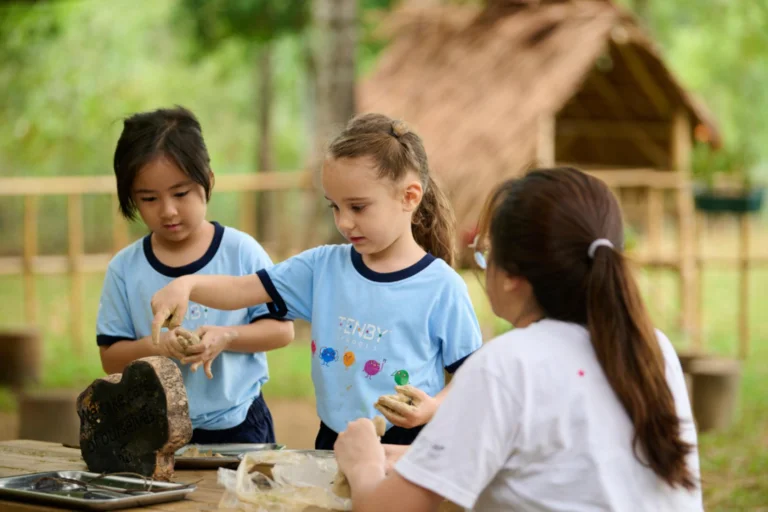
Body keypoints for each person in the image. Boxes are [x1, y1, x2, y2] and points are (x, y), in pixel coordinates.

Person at [332, 167, 703, 511]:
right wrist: (417, 461)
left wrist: (363, 461)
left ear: (510, 275)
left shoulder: (504, 365)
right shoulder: (650, 349)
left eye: (485, 255)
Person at [149, 113, 484, 450]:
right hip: (333, 441)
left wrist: (432, 408)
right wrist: (187, 285)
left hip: (408, 448)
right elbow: (241, 290)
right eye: (335, 207)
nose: (344, 222)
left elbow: (473, 375)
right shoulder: (321, 267)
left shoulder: (442, 287)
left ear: (409, 197)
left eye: (358, 207)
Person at [97, 106, 293, 444]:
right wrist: (160, 346)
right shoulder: (124, 269)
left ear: (208, 181)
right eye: (149, 198)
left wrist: (227, 336)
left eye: (180, 193)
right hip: (155, 431)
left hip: (238, 423)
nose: (168, 210)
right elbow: (110, 357)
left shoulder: (241, 252)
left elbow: (282, 331)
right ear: (132, 199)